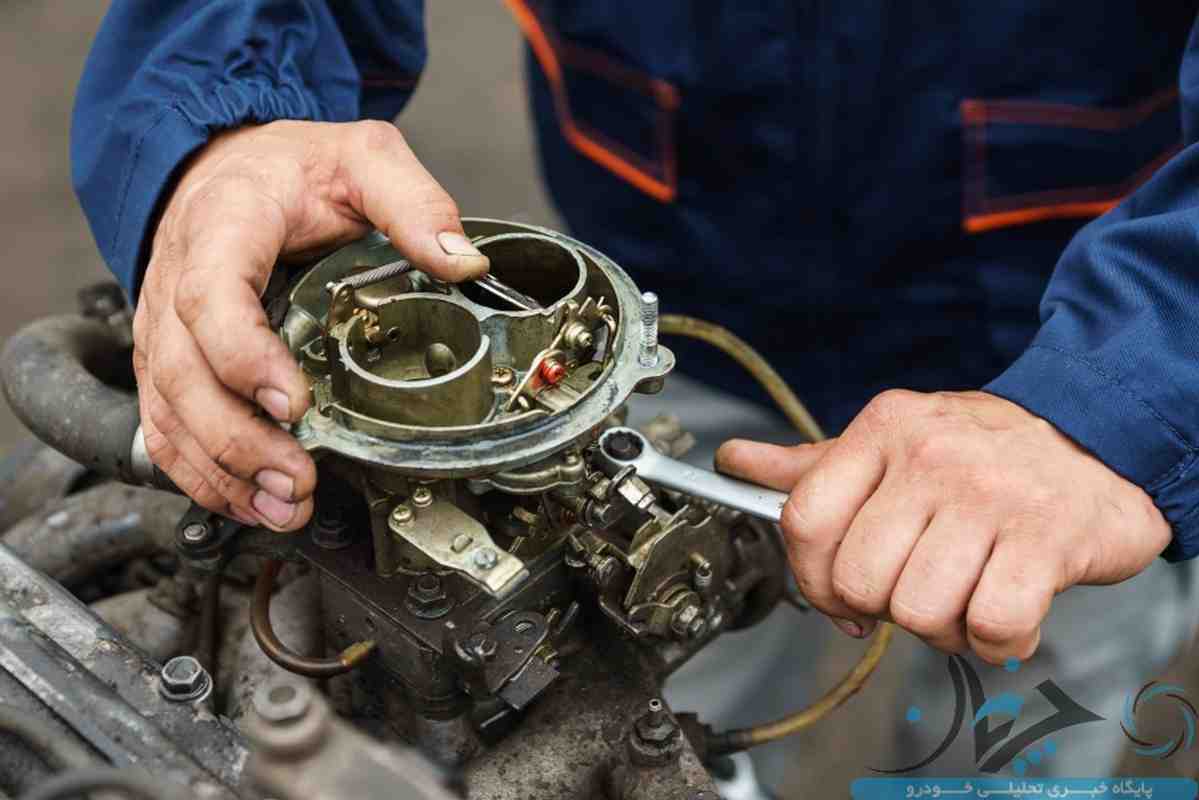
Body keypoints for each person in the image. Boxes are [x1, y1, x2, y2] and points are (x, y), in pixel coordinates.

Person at [70, 0, 1199, 783]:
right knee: (670, 670)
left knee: (1031, 698)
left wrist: (1126, 394)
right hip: (676, 299)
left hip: (1063, 396)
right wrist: (222, 124)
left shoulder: (1102, 409)